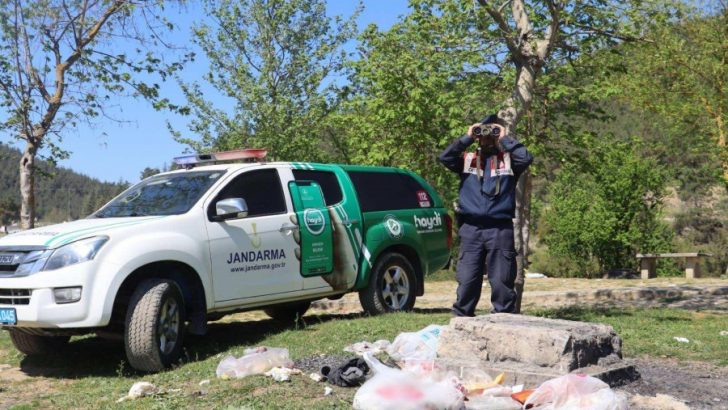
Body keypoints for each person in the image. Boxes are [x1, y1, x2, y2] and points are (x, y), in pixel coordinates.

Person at [438, 114, 533, 316]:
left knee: (501, 281)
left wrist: (505, 139)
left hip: (500, 229)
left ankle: (504, 322)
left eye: (493, 133)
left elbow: (526, 158)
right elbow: (445, 157)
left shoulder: (509, 161)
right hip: (471, 229)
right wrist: (467, 137)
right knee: (467, 280)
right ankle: (462, 321)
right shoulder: (467, 159)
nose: (488, 137)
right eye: (483, 133)